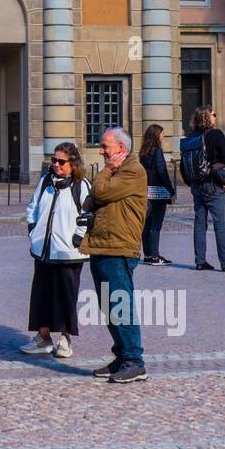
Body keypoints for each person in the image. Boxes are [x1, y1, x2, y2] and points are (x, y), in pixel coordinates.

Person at [81, 127, 149, 384]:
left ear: (120, 148)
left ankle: (134, 361)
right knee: (109, 308)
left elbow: (98, 193)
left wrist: (107, 172)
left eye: (105, 146)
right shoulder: (117, 172)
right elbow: (88, 202)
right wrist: (102, 187)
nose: (101, 151)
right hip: (102, 245)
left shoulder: (133, 170)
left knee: (121, 305)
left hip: (118, 247)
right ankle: (121, 356)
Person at [20, 143, 91, 359]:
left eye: (61, 161)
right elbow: (32, 207)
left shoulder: (81, 185)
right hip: (43, 250)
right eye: (54, 160)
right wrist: (34, 230)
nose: (56, 165)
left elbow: (87, 215)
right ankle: (43, 338)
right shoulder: (45, 182)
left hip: (68, 253)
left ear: (73, 163)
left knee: (66, 297)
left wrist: (77, 238)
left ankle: (65, 339)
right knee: (41, 296)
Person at [186, 106, 225, 273]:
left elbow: (184, 164)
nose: (215, 117)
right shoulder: (215, 134)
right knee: (220, 224)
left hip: (196, 185)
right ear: (207, 117)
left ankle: (200, 261)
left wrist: (190, 181)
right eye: (213, 114)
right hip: (213, 184)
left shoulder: (191, 137)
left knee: (199, 224)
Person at [139, 124, 174, 266]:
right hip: (158, 192)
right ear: (156, 135)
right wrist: (170, 189)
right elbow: (162, 172)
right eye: (161, 134)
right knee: (156, 225)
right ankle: (154, 256)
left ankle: (147, 254)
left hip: (146, 190)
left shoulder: (144, 151)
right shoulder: (157, 151)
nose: (163, 136)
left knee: (147, 224)